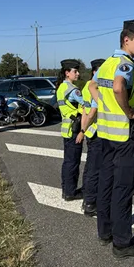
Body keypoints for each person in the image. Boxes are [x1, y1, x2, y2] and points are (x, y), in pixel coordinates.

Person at [88, 20, 134, 259]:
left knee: (105, 184)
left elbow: (93, 86)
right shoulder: (125, 65)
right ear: (126, 40)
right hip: (124, 137)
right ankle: (123, 244)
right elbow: (118, 88)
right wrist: (128, 112)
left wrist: (104, 107)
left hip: (105, 136)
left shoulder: (106, 63)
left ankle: (105, 233)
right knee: (123, 188)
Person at [76, 58, 105, 217]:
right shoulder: (95, 88)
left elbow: (84, 111)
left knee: (90, 167)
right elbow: (92, 111)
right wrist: (83, 129)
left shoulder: (86, 86)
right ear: (95, 72)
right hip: (96, 132)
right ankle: (90, 203)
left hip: (89, 131)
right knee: (95, 169)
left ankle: (87, 196)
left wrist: (83, 129)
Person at [57, 59, 85, 201]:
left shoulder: (61, 88)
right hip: (74, 129)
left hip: (66, 129)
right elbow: (87, 103)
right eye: (75, 71)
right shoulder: (73, 90)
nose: (78, 73)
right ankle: (70, 192)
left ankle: (66, 189)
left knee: (68, 162)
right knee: (73, 163)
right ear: (67, 73)